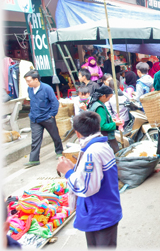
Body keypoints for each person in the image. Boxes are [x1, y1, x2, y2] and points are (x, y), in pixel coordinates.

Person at [56, 111, 122, 248]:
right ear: (98, 128)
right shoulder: (102, 146)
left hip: (100, 214)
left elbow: (86, 188)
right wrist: (74, 168)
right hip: (103, 211)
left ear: (77, 133)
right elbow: (94, 175)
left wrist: (68, 173)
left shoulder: (92, 152)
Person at [23, 70, 63, 168]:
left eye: (29, 81)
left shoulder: (46, 88)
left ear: (36, 79)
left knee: (55, 136)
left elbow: (54, 102)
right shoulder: (30, 89)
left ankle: (59, 151)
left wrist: (52, 114)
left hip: (47, 117)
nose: (28, 83)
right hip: (34, 118)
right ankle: (34, 159)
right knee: (35, 139)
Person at [88, 85, 123, 154]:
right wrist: (114, 124)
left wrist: (111, 119)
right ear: (103, 96)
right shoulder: (99, 107)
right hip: (105, 136)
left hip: (96, 135)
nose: (109, 99)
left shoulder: (96, 103)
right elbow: (102, 126)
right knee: (114, 154)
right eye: (109, 97)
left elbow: (102, 119)